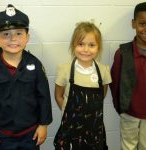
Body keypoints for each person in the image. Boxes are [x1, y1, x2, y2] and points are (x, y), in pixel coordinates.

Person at [0, 4, 52, 150]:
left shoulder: (35, 64)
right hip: (1, 136)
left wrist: (43, 125)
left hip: (30, 135)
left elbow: (43, 97)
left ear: (27, 37)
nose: (13, 39)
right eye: (6, 34)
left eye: (19, 33)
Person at [53, 21, 112, 150]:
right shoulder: (64, 69)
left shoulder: (103, 70)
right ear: (73, 45)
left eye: (91, 45)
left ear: (99, 47)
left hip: (94, 130)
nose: (86, 49)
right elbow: (58, 96)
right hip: (70, 128)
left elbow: (102, 95)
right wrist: (69, 114)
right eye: (81, 44)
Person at [110, 2, 146, 150]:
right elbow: (115, 85)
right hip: (129, 114)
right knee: (128, 147)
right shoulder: (123, 53)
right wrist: (122, 109)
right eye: (142, 23)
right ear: (133, 23)